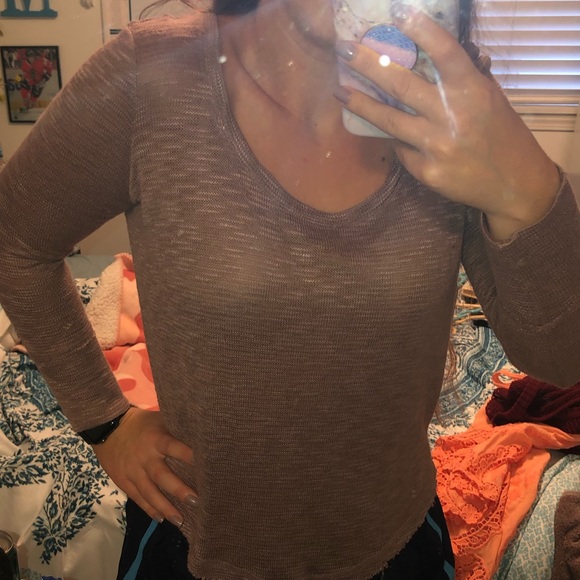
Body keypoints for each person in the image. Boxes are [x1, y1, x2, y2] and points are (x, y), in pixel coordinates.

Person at [0, 1, 579, 578]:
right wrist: (106, 422)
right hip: (201, 544)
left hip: (395, 541)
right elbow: (15, 240)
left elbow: (562, 358)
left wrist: (525, 182)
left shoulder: (453, 98)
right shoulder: (151, 74)